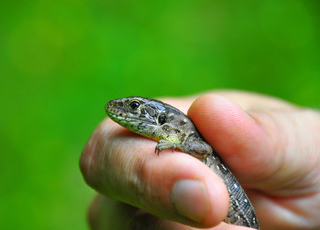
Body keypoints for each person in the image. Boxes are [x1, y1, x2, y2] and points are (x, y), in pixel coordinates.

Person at [80, 90, 320, 230]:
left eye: (133, 107)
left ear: (161, 119)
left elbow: (203, 149)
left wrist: (175, 144)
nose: (123, 109)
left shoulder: (185, 137)